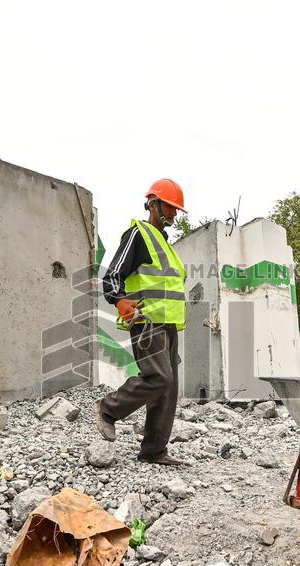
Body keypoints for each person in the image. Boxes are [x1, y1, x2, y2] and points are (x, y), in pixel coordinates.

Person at [95, 179, 189, 465]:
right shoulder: (139, 234)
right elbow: (112, 276)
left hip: (168, 325)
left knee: (168, 388)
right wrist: (119, 300)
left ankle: (153, 451)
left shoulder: (164, 243)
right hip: (145, 320)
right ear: (153, 204)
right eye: (170, 208)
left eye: (176, 209)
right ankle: (108, 409)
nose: (173, 214)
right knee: (159, 377)